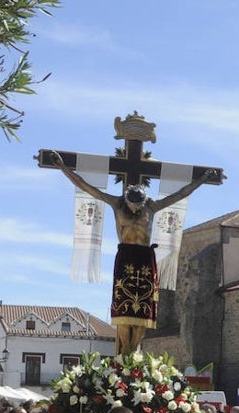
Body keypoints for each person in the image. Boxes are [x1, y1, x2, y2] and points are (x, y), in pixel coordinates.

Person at [52, 148, 220, 353]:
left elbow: (180, 194)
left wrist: (201, 180)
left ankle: (132, 354)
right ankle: (124, 357)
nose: (135, 209)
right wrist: (63, 167)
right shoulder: (117, 204)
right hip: (125, 258)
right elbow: (86, 187)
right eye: (132, 205)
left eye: (138, 206)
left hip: (145, 260)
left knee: (144, 312)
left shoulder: (151, 207)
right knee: (123, 310)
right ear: (127, 200)